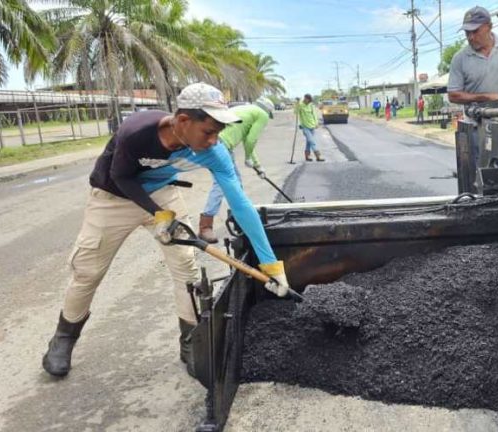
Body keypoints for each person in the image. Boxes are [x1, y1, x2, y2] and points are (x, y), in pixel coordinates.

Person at [41, 82, 292, 379]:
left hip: (163, 194)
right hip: (114, 198)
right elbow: (120, 176)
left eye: (219, 133)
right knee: (88, 270)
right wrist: (157, 214)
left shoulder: (215, 153)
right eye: (209, 132)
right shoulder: (137, 132)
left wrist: (271, 263)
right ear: (184, 121)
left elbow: (240, 205)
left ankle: (189, 341)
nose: (214, 141)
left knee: (185, 266)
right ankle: (64, 337)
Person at [447, 6, 498, 180]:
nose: (470, 37)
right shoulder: (460, 58)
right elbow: (453, 94)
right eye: (467, 33)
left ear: (489, 26)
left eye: (475, 31)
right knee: (478, 177)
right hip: (475, 126)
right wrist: (486, 97)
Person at [198, 97, 275, 243]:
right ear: (268, 111)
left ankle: (241, 219)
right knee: (222, 184)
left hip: (216, 142)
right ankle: (205, 226)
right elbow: (252, 140)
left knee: (236, 183)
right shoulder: (262, 114)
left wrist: (257, 165)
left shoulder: (248, 110)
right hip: (220, 144)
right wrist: (248, 158)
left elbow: (247, 141)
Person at [295, 94, 325, 162]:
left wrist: (316, 123)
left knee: (309, 142)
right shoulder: (300, 105)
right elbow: (296, 112)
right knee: (312, 141)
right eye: (306, 99)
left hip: (312, 126)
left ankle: (307, 156)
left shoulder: (311, 105)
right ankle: (318, 156)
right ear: (305, 98)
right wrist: (297, 105)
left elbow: (314, 115)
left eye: (309, 100)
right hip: (305, 127)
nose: (307, 101)